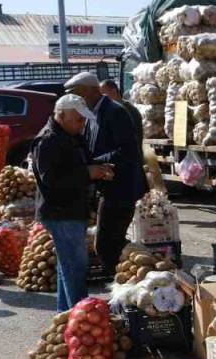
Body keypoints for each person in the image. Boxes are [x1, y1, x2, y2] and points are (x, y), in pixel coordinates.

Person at [31, 95, 115, 312]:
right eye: (77, 120)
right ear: (60, 116)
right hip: (61, 213)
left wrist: (99, 167)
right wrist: (87, 173)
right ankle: (81, 317)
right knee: (75, 267)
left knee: (67, 266)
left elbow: (82, 163)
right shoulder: (48, 141)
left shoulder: (71, 135)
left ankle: (66, 314)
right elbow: (50, 179)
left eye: (83, 120)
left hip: (71, 210)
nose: (82, 124)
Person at [64, 72, 146, 273]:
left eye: (77, 93)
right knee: (111, 242)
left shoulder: (115, 112)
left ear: (92, 91)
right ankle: (124, 280)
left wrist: (95, 164)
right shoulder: (92, 113)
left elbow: (128, 151)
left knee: (105, 245)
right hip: (107, 188)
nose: (74, 98)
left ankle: (121, 283)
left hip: (121, 188)